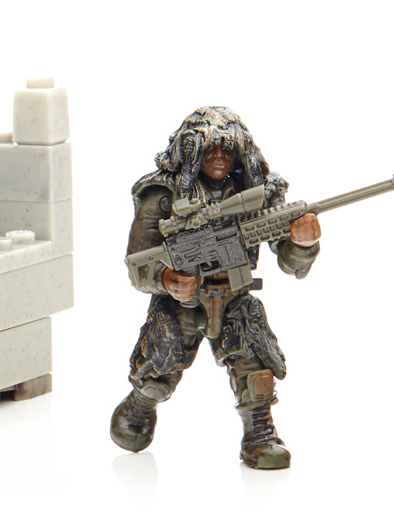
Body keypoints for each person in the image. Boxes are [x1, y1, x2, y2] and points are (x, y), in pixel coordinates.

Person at [110, 106, 321, 469]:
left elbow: (289, 263)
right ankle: (141, 405)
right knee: (160, 366)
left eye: (228, 148)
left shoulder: (257, 191)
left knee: (255, 363)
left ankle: (259, 433)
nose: (220, 156)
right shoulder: (161, 195)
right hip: (183, 302)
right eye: (210, 148)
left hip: (234, 297)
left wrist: (303, 243)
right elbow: (137, 264)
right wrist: (167, 280)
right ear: (191, 151)